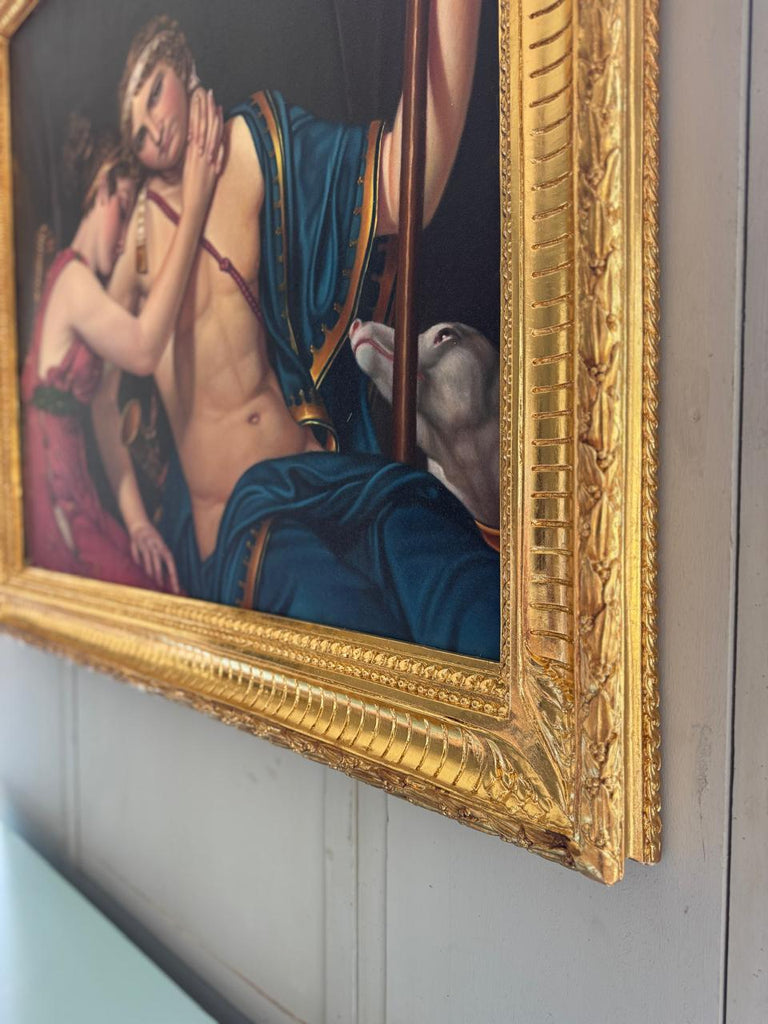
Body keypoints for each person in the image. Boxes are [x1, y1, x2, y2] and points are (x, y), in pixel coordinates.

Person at [98, 4, 500, 659]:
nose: (152, 128)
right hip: (243, 522)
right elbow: (106, 377)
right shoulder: (138, 235)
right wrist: (137, 518)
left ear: (181, 67)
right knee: (359, 635)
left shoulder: (254, 147)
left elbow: (404, 185)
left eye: (153, 95)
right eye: (136, 130)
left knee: (453, 578)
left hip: (324, 473)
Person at [22, 96, 223, 590]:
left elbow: (105, 412)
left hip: (77, 501)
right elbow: (144, 350)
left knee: (162, 585)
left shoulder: (82, 285)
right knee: (153, 599)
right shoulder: (72, 280)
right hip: (57, 511)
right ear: (102, 188)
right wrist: (195, 208)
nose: (127, 236)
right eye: (126, 206)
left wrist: (136, 524)